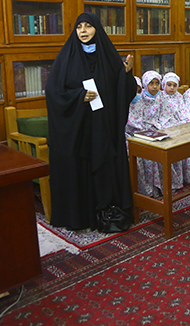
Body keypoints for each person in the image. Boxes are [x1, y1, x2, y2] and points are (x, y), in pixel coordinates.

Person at [46, 12, 137, 231]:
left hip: (104, 128)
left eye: (88, 26)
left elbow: (123, 93)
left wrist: (126, 74)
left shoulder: (109, 56)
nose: (83, 31)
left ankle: (107, 212)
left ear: (97, 29)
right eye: (79, 27)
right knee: (81, 169)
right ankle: (82, 217)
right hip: (79, 129)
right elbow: (53, 92)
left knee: (105, 167)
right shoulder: (66, 57)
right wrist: (79, 96)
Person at [125, 71, 169, 197]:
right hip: (130, 135)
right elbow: (130, 123)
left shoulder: (141, 101)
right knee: (145, 154)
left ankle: (158, 187)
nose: (136, 94)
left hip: (145, 132)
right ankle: (144, 190)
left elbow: (158, 117)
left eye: (138, 91)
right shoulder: (123, 102)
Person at [161, 72, 190, 185]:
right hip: (166, 126)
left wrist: (187, 124)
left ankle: (185, 177)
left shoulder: (179, 96)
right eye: (169, 85)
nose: (171, 88)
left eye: (174, 85)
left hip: (179, 125)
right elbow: (161, 117)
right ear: (164, 85)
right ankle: (173, 181)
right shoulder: (160, 97)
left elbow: (184, 112)